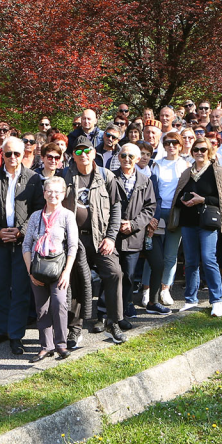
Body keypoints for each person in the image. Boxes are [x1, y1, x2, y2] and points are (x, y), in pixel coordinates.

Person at [0, 138, 46, 356]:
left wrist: (21, 231)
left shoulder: (34, 179)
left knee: (20, 289)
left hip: (22, 244)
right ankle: (1, 331)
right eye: (8, 154)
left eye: (17, 153)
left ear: (23, 153)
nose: (13, 158)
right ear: (3, 155)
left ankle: (16, 335)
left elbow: (38, 210)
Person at [62, 137, 127, 345]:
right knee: (75, 280)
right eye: (79, 152)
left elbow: (116, 208)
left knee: (114, 273)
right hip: (76, 240)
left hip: (100, 239)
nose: (84, 155)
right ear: (73, 155)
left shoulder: (106, 176)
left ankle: (113, 322)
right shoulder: (65, 176)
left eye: (87, 151)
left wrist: (110, 237)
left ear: (94, 153)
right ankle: (75, 328)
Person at [171, 136, 222, 314]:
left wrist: (202, 200)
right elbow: (177, 197)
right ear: (191, 152)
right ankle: (190, 299)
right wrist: (184, 201)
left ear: (209, 152)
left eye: (203, 149)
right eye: (196, 150)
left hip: (208, 223)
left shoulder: (218, 172)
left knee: (209, 259)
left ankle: (217, 299)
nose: (199, 153)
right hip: (188, 222)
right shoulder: (187, 173)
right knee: (191, 261)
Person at [21, 176, 77, 362]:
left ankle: (61, 344)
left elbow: (72, 246)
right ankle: (46, 346)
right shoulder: (36, 216)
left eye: (57, 192)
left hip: (59, 268)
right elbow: (26, 245)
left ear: (63, 194)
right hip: (38, 268)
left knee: (59, 303)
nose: (53, 195)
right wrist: (30, 272)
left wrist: (67, 272)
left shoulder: (67, 215)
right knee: (41, 308)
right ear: (44, 193)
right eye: (49, 191)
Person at [113, 142, 157, 318]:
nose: (127, 159)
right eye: (123, 155)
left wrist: (133, 224)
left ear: (138, 159)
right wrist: (117, 224)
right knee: (112, 274)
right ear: (118, 157)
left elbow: (149, 208)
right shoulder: (110, 177)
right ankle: (109, 309)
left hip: (134, 235)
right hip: (113, 236)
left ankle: (127, 303)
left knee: (130, 275)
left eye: (131, 156)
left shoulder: (145, 181)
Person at [150, 132, 189, 308]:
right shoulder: (156, 164)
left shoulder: (186, 165)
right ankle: (149, 290)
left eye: (175, 143)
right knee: (153, 253)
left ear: (180, 145)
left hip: (176, 212)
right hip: (157, 211)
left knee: (170, 254)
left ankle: (165, 288)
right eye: (168, 143)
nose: (171, 146)